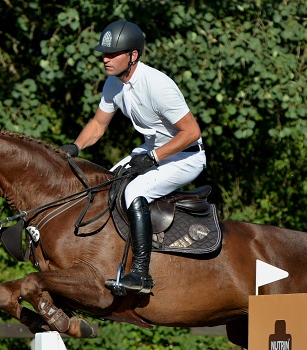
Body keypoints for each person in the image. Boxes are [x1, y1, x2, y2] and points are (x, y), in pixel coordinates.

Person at [60, 20, 206, 295]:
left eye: (112, 54)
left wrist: (153, 157)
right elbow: (98, 125)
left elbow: (191, 132)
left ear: (133, 55)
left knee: (134, 192)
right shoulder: (113, 84)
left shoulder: (158, 85)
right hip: (154, 150)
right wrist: (74, 148)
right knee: (106, 183)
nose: (105, 59)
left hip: (186, 156)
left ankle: (141, 274)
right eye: (104, 54)